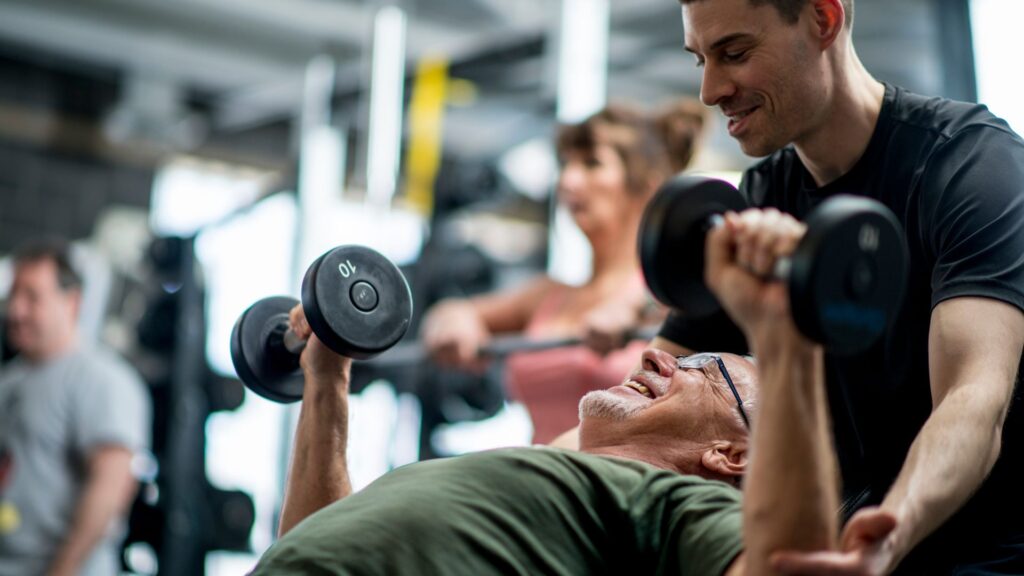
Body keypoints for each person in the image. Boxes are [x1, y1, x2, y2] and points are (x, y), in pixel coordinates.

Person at [645, 0, 1024, 573]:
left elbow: (974, 401)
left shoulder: (970, 166)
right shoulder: (762, 198)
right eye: (700, 59)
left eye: (735, 53)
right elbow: (646, 392)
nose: (710, 89)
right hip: (841, 550)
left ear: (823, 19)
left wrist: (888, 536)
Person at [250, 219, 852, 574]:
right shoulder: (541, 478)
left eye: (703, 368)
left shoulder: (672, 508)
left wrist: (786, 338)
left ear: (732, 454)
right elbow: (313, 536)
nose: (655, 354)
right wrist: (327, 378)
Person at [421, 100, 707, 443]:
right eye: (566, 164)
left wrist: (636, 310)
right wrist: (453, 320)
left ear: (647, 184)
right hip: (540, 484)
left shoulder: (669, 292)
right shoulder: (550, 295)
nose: (567, 181)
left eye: (592, 164)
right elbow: (454, 311)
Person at [0, 240, 151, 576]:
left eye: (32, 297)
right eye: (13, 295)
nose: (15, 310)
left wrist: (62, 571)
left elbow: (111, 486)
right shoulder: (10, 381)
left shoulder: (101, 380)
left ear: (71, 303)